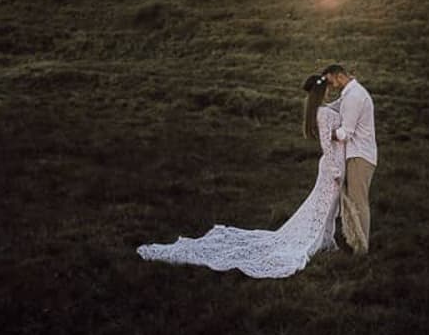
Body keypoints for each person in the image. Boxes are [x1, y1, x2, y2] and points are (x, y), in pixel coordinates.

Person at [136, 74, 344, 278]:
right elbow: (326, 144)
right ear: (321, 91)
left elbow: (336, 110)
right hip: (331, 166)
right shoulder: (324, 113)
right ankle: (319, 241)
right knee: (325, 206)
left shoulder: (320, 109)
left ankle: (326, 241)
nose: (329, 90)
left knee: (327, 207)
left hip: (330, 165)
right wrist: (335, 171)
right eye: (327, 88)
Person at [323, 64, 377, 255]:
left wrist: (326, 134)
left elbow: (346, 133)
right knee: (353, 201)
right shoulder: (349, 94)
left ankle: (362, 249)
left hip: (360, 156)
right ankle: (355, 240)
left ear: (339, 76)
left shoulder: (354, 96)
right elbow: (335, 107)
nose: (331, 86)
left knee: (358, 201)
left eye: (331, 82)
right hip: (355, 154)